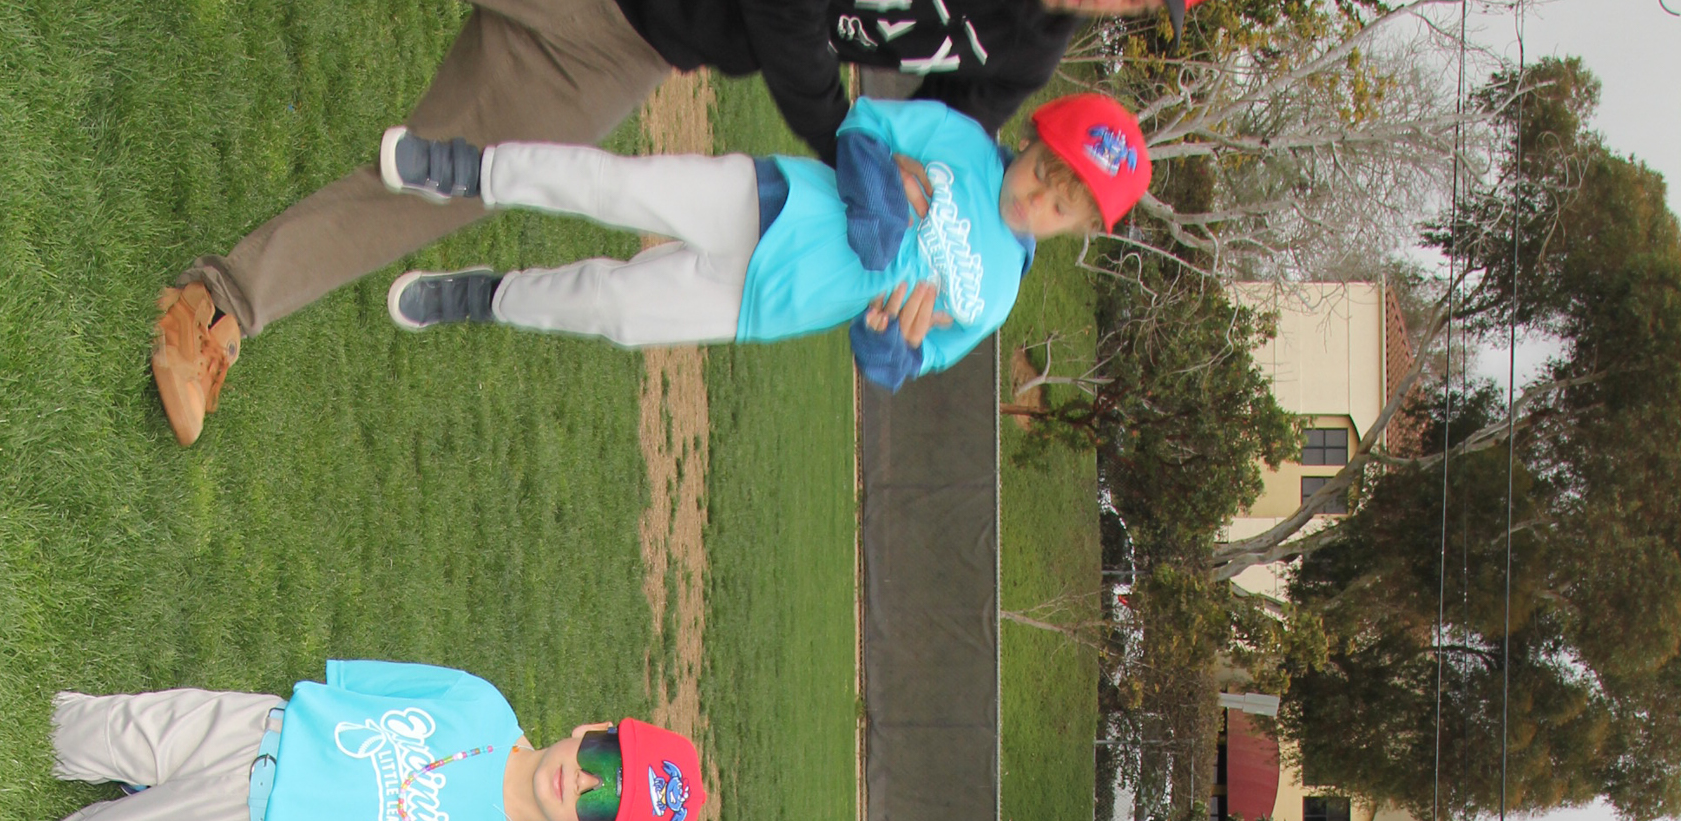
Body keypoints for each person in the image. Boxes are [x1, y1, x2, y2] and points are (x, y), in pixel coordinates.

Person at [148, 3, 1192, 444]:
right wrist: (846, 144)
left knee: (454, 181)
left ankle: (220, 306)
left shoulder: (1027, 45)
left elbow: (938, 166)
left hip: (629, 36)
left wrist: (895, 325)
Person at [379, 92, 1148, 389]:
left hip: (770, 301)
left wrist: (887, 343)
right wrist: (881, 204)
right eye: (1046, 171)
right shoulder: (962, 140)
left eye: (1062, 206)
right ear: (1034, 140)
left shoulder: (997, 297)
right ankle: (470, 169)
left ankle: (486, 297)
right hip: (769, 202)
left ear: (1077, 227)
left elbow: (913, 360)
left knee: (615, 311)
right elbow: (862, 125)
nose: (1040, 198)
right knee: (618, 186)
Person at [50, 681, 700, 821]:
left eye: (601, 807)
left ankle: (135, 811)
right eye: (602, 759)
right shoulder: (481, 704)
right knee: (72, 731)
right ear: (589, 731)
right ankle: (130, 774)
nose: (583, 781)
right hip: (258, 734)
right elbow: (354, 690)